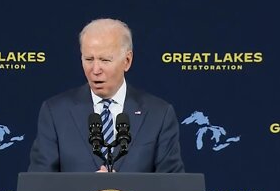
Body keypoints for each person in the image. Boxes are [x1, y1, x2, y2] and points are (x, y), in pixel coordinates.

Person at [28, 18, 184, 173]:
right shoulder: (55, 113)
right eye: (89, 59)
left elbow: (172, 189)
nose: (95, 69)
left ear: (127, 61)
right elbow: (39, 187)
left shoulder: (159, 114)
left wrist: (122, 190)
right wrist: (87, 190)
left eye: (105, 60)